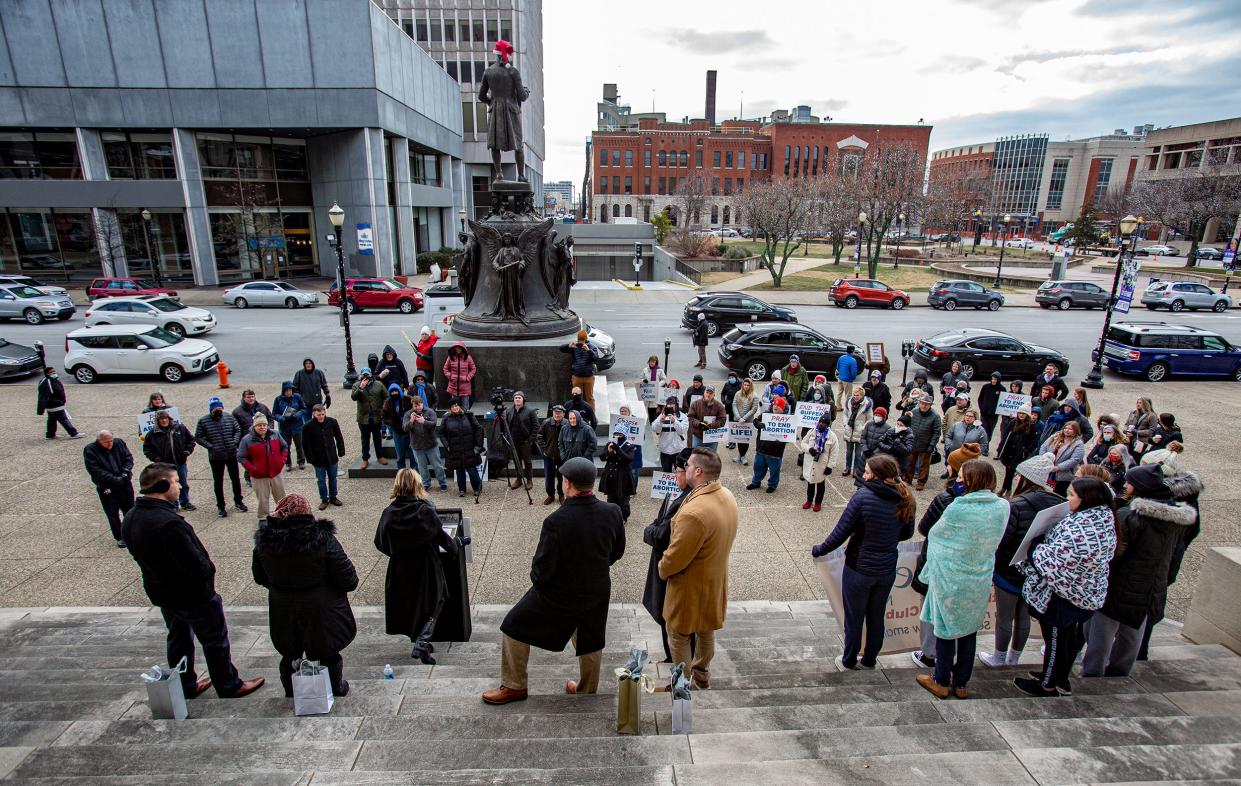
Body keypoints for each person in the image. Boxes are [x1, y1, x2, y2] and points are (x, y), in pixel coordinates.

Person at [483, 457, 626, 704]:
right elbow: (617, 551)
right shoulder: (612, 511)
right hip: (596, 588)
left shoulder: (556, 521)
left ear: (567, 484)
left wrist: (538, 581)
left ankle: (515, 685)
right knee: (590, 638)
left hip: (559, 593)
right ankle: (586, 689)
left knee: (513, 626)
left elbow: (542, 568)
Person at [121, 462, 264, 699]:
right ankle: (228, 684)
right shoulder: (169, 523)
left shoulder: (131, 517)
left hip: (162, 593)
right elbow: (195, 565)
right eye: (176, 481)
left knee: (178, 640)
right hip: (191, 595)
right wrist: (208, 573)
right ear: (163, 485)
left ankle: (185, 684)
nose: (179, 486)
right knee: (215, 640)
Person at [1082, 463, 1197, 678]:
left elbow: (1114, 553)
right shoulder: (1177, 521)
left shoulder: (1130, 516)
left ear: (1140, 487)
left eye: (1130, 482)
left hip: (1119, 586)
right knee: (1131, 637)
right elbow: (1176, 555)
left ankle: (1092, 679)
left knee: (1100, 638)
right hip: (1151, 588)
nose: (1125, 485)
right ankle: (1119, 677)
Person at [1015, 476, 1116, 698]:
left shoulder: (1080, 529)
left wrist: (1035, 548)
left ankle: (1047, 685)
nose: (1067, 499)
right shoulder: (1103, 518)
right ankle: (1059, 677)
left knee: (1055, 640)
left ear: (1086, 499)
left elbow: (1052, 562)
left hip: (1062, 595)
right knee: (1068, 638)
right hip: (1084, 590)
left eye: (1071, 495)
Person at [916, 460, 1010, 699]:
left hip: (952, 576)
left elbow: (935, 535)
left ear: (971, 481)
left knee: (946, 629)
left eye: (962, 477)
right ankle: (961, 683)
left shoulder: (958, 506)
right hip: (979, 576)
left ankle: (940, 679)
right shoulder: (1002, 506)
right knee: (969, 631)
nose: (957, 480)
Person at [812, 455, 916, 671]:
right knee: (877, 616)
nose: (864, 475)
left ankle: (849, 660)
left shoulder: (863, 496)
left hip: (859, 568)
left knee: (854, 617)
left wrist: (819, 550)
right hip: (886, 569)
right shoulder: (905, 496)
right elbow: (907, 533)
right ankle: (870, 659)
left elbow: (841, 533)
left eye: (867, 472)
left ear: (877, 476)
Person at [252, 493, 357, 697]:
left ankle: (291, 691)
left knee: (290, 653)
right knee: (327, 652)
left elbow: (259, 576)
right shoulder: (321, 538)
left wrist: (282, 588)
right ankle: (335, 687)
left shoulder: (265, 541)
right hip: (320, 608)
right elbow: (348, 577)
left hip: (283, 606)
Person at [660, 448, 739, 689]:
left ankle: (682, 687)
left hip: (689, 588)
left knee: (678, 636)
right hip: (714, 581)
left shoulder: (695, 512)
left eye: (689, 465)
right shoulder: (727, 496)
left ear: (698, 470)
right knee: (706, 631)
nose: (684, 468)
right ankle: (702, 675)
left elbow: (675, 558)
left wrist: (662, 568)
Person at [980, 457, 1064, 667]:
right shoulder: (1059, 502)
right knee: (1024, 615)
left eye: (1019, 475)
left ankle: (999, 656)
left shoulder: (1016, 505)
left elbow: (1003, 538)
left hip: (1009, 569)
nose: (1016, 477)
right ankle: (1015, 657)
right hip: (1037, 569)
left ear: (1026, 479)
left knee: (1005, 616)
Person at [376, 469, 459, 664]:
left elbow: (380, 542)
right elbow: (443, 539)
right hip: (426, 565)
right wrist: (456, 547)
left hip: (400, 567)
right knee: (437, 598)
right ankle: (422, 641)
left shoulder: (388, 513)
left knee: (412, 602)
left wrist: (397, 552)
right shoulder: (424, 511)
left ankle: (419, 638)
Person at [909, 471, 966, 670]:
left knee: (931, 609)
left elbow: (925, 528)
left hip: (938, 564)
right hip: (968, 571)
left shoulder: (947, 500)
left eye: (959, 475)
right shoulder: (995, 506)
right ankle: (951, 657)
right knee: (958, 614)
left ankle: (929, 655)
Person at [643, 447, 694, 662]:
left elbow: (660, 534)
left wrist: (649, 530)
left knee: (669, 618)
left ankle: (675, 661)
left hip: (670, 569)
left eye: (678, 471)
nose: (675, 476)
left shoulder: (683, 500)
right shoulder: (682, 495)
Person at [194, 397, 246, 518]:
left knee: (235, 479)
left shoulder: (228, 417)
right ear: (211, 409)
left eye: (220, 408)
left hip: (231, 453)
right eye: (216, 408)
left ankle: (239, 501)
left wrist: (234, 442)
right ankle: (221, 506)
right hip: (216, 456)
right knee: (218, 482)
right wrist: (210, 447)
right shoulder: (203, 421)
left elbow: (237, 429)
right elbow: (198, 437)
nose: (218, 410)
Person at [84, 430, 134, 547]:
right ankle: (119, 536)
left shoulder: (119, 443)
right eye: (106, 442)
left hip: (124, 483)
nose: (110, 444)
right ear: (99, 441)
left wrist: (125, 472)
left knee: (130, 510)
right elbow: (94, 470)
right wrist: (113, 478)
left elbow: (128, 458)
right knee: (112, 513)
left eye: (111, 440)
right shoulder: (90, 450)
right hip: (107, 487)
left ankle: (132, 533)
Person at [237, 413, 288, 520]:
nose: (262, 427)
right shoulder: (247, 439)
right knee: (263, 499)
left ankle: (284, 514)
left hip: (276, 473)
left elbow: (284, 447)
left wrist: (281, 462)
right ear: (254, 426)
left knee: (281, 496)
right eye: (259, 425)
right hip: (259, 476)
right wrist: (253, 469)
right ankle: (263, 517)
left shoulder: (275, 434)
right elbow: (241, 457)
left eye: (264, 425)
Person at [142, 410, 196, 511]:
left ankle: (185, 502)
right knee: (169, 486)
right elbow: (147, 449)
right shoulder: (152, 434)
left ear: (169, 419)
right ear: (158, 421)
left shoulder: (180, 428)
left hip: (180, 463)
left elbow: (191, 440)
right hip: (165, 466)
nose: (164, 421)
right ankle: (173, 505)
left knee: (183, 484)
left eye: (165, 418)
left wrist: (187, 451)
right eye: (161, 419)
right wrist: (156, 458)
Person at [303, 404, 346, 510]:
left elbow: (339, 437)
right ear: (313, 414)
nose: (321, 416)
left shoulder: (332, 422)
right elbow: (306, 444)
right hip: (318, 459)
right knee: (321, 480)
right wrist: (310, 458)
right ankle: (324, 499)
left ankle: (333, 497)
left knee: (333, 478)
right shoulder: (307, 426)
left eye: (322, 414)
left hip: (331, 456)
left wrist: (341, 450)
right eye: (318, 415)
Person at [439, 398, 483, 498]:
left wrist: (478, 445)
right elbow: (440, 433)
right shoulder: (446, 418)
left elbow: (478, 429)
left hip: (469, 447)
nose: (455, 408)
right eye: (453, 406)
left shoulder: (469, 415)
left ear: (460, 406)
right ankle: (462, 489)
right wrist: (447, 445)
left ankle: (477, 488)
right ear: (450, 408)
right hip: (455, 448)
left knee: (472, 470)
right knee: (459, 471)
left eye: (457, 405)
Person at [405, 396, 448, 493]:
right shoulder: (408, 414)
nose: (417, 408)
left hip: (431, 445)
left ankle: (442, 483)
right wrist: (411, 421)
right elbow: (405, 428)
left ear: (422, 403)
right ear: (412, 405)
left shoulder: (430, 411)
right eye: (415, 406)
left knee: (437, 466)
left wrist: (424, 421)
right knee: (422, 467)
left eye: (419, 405)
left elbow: (434, 424)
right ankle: (426, 484)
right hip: (417, 446)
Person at [748, 396, 789, 493]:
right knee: (758, 467)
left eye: (778, 405)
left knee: (774, 470)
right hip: (761, 449)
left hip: (775, 452)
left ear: (783, 408)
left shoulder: (787, 420)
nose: (775, 406)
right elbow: (755, 421)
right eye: (774, 404)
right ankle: (755, 482)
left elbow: (790, 434)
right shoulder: (765, 415)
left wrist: (783, 440)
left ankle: (772, 485)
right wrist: (758, 424)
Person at [799, 414, 839, 511]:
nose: (821, 424)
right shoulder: (812, 432)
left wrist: (830, 466)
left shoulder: (832, 437)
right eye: (820, 422)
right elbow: (803, 443)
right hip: (811, 461)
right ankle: (809, 501)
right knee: (810, 483)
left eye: (824, 423)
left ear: (828, 425)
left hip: (822, 464)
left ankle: (818, 503)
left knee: (820, 484)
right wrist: (809, 449)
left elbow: (834, 453)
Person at [997, 404, 1040, 496]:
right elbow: (1005, 436)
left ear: (1027, 415)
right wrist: (1001, 448)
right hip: (1009, 450)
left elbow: (1033, 442)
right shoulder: (1013, 422)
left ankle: (1006, 490)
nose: (1021, 415)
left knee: (1011, 471)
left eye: (1023, 413)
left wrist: (1026, 451)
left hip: (1019, 453)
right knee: (1008, 471)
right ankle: (1006, 489)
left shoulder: (1031, 426)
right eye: (1019, 413)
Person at [232, 389, 271, 487]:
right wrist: (239, 441)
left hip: (263, 437)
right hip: (248, 439)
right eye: (248, 397)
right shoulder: (237, 412)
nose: (251, 399)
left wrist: (269, 429)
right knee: (250, 459)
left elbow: (270, 418)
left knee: (265, 456)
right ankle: (248, 476)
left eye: (252, 396)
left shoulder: (262, 407)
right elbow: (235, 428)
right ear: (244, 398)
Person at [351, 369, 387, 470]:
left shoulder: (379, 384)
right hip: (363, 418)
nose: (366, 377)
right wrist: (361, 388)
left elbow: (386, 396)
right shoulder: (356, 385)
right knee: (365, 439)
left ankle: (380, 456)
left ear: (371, 375)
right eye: (364, 375)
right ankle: (365, 458)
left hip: (376, 417)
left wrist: (383, 408)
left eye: (368, 375)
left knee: (377, 438)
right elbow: (354, 397)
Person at [503, 392, 539, 491]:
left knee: (527, 461)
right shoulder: (509, 411)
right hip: (513, 441)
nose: (517, 399)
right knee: (516, 461)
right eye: (515, 398)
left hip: (525, 441)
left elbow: (536, 426)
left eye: (519, 398)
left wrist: (530, 439)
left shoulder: (530, 411)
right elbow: (506, 426)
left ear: (523, 399)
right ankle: (519, 479)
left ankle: (529, 480)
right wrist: (508, 438)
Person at [905, 394, 942, 490]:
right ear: (919, 403)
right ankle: (907, 479)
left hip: (926, 444)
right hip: (912, 442)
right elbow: (908, 426)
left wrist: (932, 445)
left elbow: (937, 432)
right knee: (910, 462)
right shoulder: (914, 412)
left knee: (924, 465)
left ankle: (921, 482)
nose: (924, 406)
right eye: (922, 403)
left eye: (927, 404)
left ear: (930, 405)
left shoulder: (935, 416)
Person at [600, 426, 637, 520]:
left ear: (624, 434)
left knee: (623, 499)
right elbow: (602, 457)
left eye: (620, 434)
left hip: (623, 476)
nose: (618, 436)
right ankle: (611, 516)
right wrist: (608, 451)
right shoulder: (610, 443)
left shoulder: (629, 445)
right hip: (611, 475)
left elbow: (628, 459)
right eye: (616, 433)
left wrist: (617, 449)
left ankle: (623, 516)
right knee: (611, 498)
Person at [1041, 421, 1086, 495]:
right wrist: (1043, 459)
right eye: (1066, 428)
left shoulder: (1078, 443)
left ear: (1075, 431)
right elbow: (1043, 447)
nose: (1067, 430)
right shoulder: (1056, 436)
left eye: (1070, 429)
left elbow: (1075, 459)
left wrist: (1058, 467)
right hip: (1047, 468)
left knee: (1058, 493)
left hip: (1063, 474)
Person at [272, 381, 308, 471]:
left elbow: (303, 409)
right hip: (285, 427)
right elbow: (274, 413)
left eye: (290, 390)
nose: (289, 392)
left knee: (299, 445)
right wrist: (281, 418)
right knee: (286, 446)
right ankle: (288, 463)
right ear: (283, 391)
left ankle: (301, 461)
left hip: (297, 426)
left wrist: (298, 415)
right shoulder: (278, 399)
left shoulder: (297, 397)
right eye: (287, 390)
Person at [36, 367, 81, 439]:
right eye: (52, 372)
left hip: (54, 405)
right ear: (47, 373)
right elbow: (45, 396)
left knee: (52, 420)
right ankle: (73, 433)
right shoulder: (47, 382)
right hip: (55, 405)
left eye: (54, 371)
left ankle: (50, 434)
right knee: (63, 419)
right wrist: (58, 402)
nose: (54, 373)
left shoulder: (52, 380)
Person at [536, 405, 567, 505]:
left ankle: (561, 495)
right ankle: (550, 495)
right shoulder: (546, 423)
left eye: (559, 412)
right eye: (555, 412)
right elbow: (539, 436)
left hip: (562, 455)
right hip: (549, 455)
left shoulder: (567, 423)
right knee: (549, 476)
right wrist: (545, 448)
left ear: (563, 414)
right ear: (552, 413)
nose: (557, 414)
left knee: (561, 476)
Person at [840, 387, 873, 479]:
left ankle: (856, 469)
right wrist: (845, 424)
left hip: (859, 432)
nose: (855, 396)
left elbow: (870, 419)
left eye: (857, 395)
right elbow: (845, 414)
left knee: (858, 453)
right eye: (854, 394)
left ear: (862, 395)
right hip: (849, 430)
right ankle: (847, 467)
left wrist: (863, 428)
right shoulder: (848, 402)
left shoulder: (867, 405)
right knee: (849, 452)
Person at [560, 329, 598, 409]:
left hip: (589, 377)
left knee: (589, 397)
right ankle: (577, 415)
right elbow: (561, 349)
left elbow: (595, 358)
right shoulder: (575, 347)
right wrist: (569, 346)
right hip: (577, 377)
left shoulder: (592, 347)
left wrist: (588, 350)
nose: (581, 342)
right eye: (579, 340)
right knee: (576, 397)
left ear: (585, 340)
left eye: (582, 340)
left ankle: (591, 415)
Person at [381, 383, 415, 469]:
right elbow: (385, 417)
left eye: (396, 391)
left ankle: (415, 475)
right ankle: (401, 475)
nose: (394, 393)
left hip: (409, 431)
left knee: (413, 456)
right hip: (397, 433)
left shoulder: (408, 399)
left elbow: (416, 410)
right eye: (392, 392)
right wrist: (392, 425)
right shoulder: (387, 403)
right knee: (400, 456)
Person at [652, 396, 689, 471]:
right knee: (666, 473)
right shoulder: (661, 415)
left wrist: (674, 421)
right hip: (665, 450)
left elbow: (682, 430)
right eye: (668, 404)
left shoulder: (683, 416)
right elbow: (655, 429)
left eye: (672, 403)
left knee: (680, 473)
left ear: (676, 405)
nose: (670, 406)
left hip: (678, 450)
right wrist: (660, 421)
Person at [687, 385, 727, 450]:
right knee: (696, 456)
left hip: (712, 437)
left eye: (711, 393)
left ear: (714, 395)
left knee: (711, 457)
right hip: (698, 436)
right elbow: (690, 417)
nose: (708, 395)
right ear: (704, 392)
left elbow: (723, 420)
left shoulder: (719, 406)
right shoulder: (695, 404)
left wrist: (712, 425)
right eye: (707, 392)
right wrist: (699, 423)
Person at [731, 378, 760, 465]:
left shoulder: (755, 395)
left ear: (750, 386)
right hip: (738, 420)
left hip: (748, 421)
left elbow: (754, 409)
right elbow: (734, 405)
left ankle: (743, 456)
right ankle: (740, 455)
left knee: (746, 439)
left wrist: (744, 418)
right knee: (739, 439)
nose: (746, 386)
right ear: (742, 385)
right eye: (745, 384)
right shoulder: (737, 393)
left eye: (748, 385)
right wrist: (738, 417)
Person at [443, 342, 477, 409]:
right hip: (453, 386)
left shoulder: (468, 358)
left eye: (460, 348)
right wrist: (450, 376)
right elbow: (445, 369)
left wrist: (467, 378)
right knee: (455, 406)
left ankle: (465, 419)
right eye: (456, 348)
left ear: (463, 349)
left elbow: (473, 369)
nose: (458, 349)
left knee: (465, 407)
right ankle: (456, 419)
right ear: (454, 349)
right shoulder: (450, 357)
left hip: (465, 387)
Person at [640, 356, 669, 421]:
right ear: (649, 361)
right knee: (649, 409)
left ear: (656, 362)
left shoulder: (660, 370)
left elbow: (664, 379)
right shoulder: (645, 370)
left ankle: (654, 422)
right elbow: (641, 378)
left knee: (655, 409)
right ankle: (651, 422)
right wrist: (643, 380)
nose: (652, 363)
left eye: (653, 361)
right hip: (648, 392)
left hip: (656, 392)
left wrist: (657, 385)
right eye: (651, 361)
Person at [977, 371, 1003, 443]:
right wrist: (981, 408)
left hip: (993, 416)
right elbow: (980, 399)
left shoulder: (1002, 389)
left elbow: (1003, 403)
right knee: (983, 430)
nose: (993, 381)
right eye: (992, 379)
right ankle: (983, 446)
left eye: (995, 379)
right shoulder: (986, 387)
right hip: (984, 413)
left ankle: (986, 443)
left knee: (990, 431)